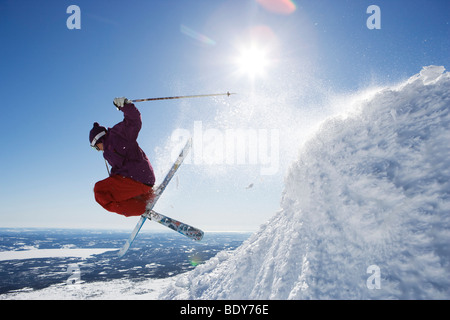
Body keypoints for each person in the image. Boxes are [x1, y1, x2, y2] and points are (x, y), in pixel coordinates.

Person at [89, 97, 156, 217]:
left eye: (95, 148)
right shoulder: (109, 153)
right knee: (110, 192)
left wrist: (125, 106)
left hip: (138, 177)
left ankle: (140, 208)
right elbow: (120, 169)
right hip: (140, 179)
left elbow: (134, 122)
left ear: (98, 140)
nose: (97, 150)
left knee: (99, 191)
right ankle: (146, 197)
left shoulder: (116, 135)